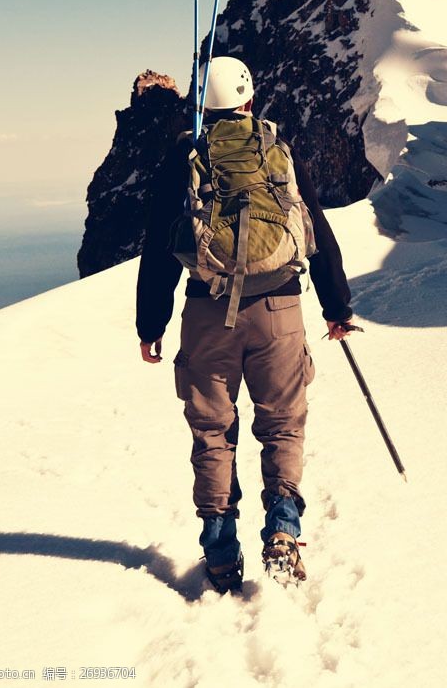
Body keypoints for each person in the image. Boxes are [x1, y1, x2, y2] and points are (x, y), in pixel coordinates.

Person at [135, 56, 354, 594]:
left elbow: (158, 250)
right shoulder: (276, 150)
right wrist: (337, 306)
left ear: (201, 107)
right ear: (249, 100)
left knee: (212, 430)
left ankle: (219, 554)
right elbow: (315, 228)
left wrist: (151, 323)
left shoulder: (186, 157)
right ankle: (283, 532)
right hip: (279, 309)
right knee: (282, 423)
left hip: (208, 313)